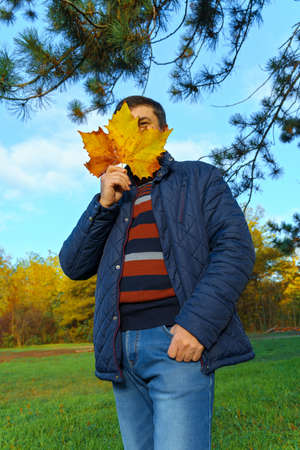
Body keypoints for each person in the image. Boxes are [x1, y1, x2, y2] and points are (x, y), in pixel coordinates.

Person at [59, 95, 255, 450]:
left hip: (176, 341)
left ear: (163, 132)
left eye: (144, 123)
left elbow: (236, 250)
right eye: (125, 127)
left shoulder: (199, 178)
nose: (134, 132)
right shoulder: (111, 195)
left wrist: (196, 325)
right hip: (120, 349)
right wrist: (102, 205)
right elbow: (73, 266)